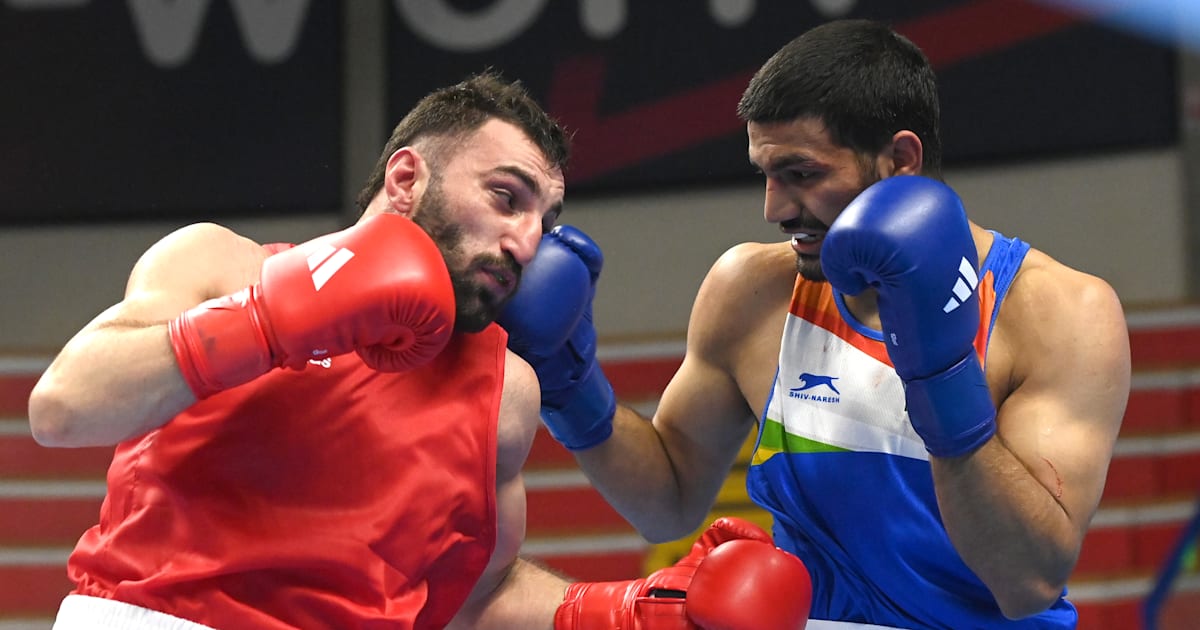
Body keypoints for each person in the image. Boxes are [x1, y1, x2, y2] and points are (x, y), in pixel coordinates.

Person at [27, 72, 812, 629]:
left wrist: (630, 609)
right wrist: (273, 319)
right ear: (407, 178)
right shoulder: (222, 264)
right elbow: (64, 408)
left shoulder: (504, 389)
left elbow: (478, 596)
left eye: (544, 218)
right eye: (506, 198)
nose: (524, 240)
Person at [501, 19, 1131, 629]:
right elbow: (667, 501)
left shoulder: (1058, 312)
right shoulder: (754, 290)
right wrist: (572, 386)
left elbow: (1026, 584)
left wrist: (943, 380)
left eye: (801, 174)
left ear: (900, 159)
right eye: (765, 174)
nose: (774, 207)